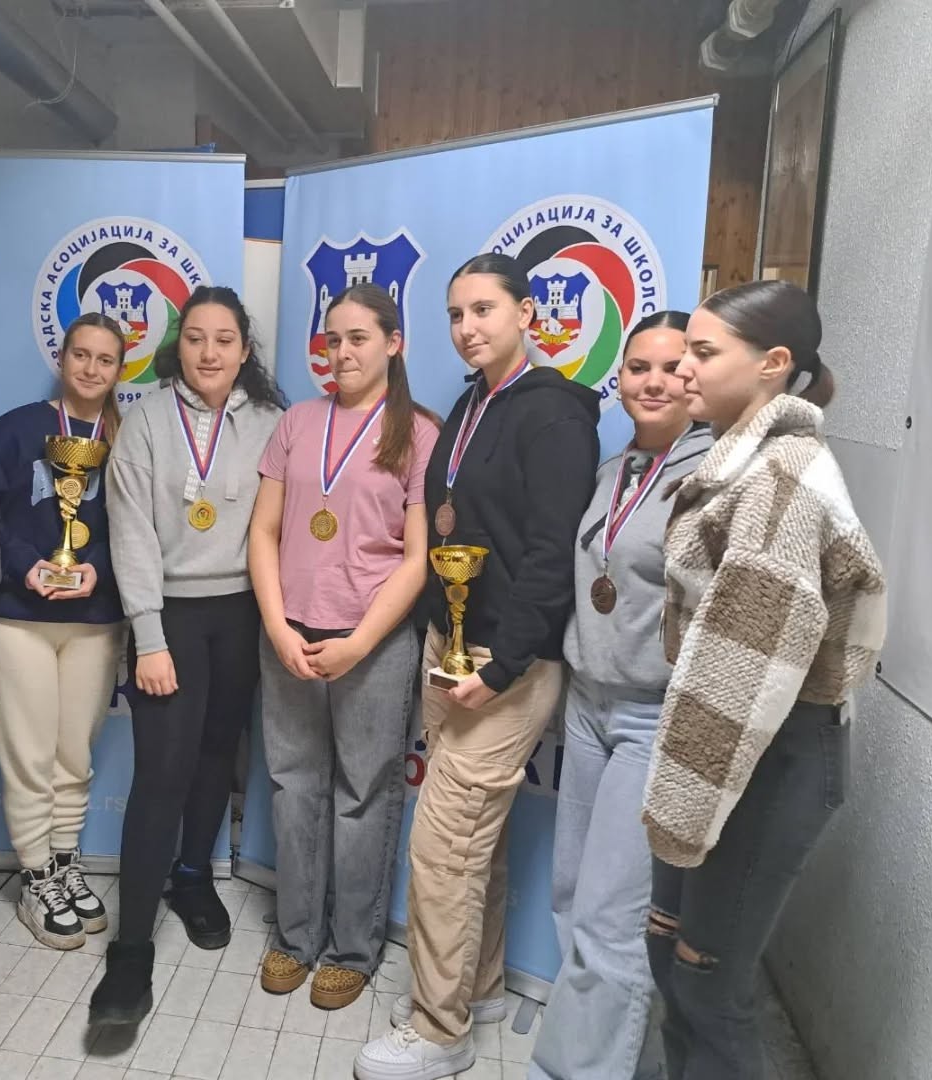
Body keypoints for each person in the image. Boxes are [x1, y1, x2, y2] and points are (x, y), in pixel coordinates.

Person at [356, 253, 600, 1080]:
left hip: (506, 662)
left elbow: (551, 557)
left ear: (527, 313)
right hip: (450, 644)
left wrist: (500, 669)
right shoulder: (470, 403)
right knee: (475, 847)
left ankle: (439, 1030)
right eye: (456, 314)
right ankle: (479, 987)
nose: (467, 328)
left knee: (443, 849)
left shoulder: (554, 415)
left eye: (484, 310)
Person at [641, 281, 885, 1080]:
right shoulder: (741, 456)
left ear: (773, 364)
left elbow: (741, 669)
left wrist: (681, 810)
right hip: (723, 747)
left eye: (702, 353)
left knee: (709, 987)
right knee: (669, 956)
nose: (681, 368)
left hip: (766, 751)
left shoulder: (784, 474)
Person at [89, 286, 283, 1026]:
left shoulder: (272, 422)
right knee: (161, 776)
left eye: (224, 339)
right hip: (168, 613)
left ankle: (194, 875)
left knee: (215, 757)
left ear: (243, 350)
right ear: (179, 346)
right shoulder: (144, 420)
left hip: (242, 614)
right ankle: (130, 950)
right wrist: (149, 634)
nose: (210, 352)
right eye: (196, 338)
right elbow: (131, 531)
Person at [529, 312, 713, 1080]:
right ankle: (589, 1053)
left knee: (612, 916)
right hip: (588, 703)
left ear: (698, 380)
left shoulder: (715, 478)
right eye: (639, 367)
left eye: (673, 368)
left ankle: (583, 1069)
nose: (654, 381)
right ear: (620, 378)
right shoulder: (616, 470)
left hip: (653, 715)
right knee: (573, 892)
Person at [248, 284, 438, 1010]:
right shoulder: (297, 422)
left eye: (359, 338)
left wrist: (358, 643)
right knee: (294, 787)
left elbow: (418, 558)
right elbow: (263, 532)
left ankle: (352, 949)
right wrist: (277, 626)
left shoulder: (418, 432)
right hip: (290, 635)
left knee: (363, 795)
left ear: (393, 343)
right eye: (333, 339)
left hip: (373, 643)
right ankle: (295, 937)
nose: (343, 352)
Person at [0, 313, 127, 950]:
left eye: (105, 359)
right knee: (30, 756)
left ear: (120, 370)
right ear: (61, 358)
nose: (91, 368)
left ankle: (66, 862)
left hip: (94, 619)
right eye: (81, 355)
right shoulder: (17, 429)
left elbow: (142, 526)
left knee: (74, 754)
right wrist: (25, 566)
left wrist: (99, 570)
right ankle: (36, 875)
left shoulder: (127, 437)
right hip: (21, 616)